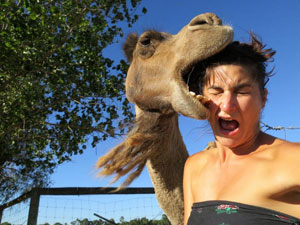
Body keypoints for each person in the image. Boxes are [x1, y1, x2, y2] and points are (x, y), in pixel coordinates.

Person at [183, 34, 300, 225]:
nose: (227, 105)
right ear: (200, 98)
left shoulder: (294, 160)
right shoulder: (194, 167)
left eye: (242, 91)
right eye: (216, 91)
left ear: (263, 98)